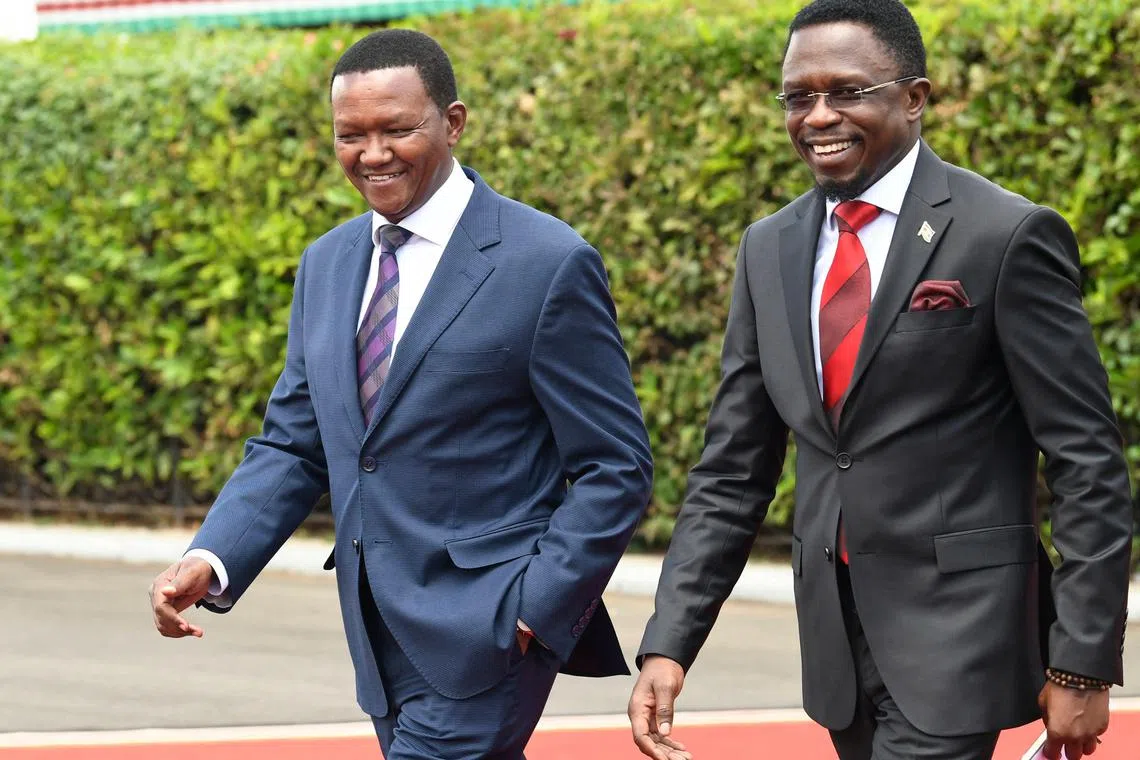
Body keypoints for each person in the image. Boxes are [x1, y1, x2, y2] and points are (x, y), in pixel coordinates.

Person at [628, 1, 1133, 759]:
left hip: (962, 638)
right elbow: (733, 471)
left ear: (914, 97)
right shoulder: (767, 249)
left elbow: (1087, 460)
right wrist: (669, 643)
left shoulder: (1005, 235)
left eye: (847, 91)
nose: (819, 115)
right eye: (799, 96)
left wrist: (1083, 660)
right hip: (836, 649)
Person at [147, 28, 653, 759]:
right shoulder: (327, 263)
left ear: (452, 123)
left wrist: (535, 611)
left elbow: (616, 466)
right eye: (350, 134)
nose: (372, 154)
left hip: (490, 635)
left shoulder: (546, 262)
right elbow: (295, 443)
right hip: (376, 633)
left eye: (396, 129)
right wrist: (213, 558)